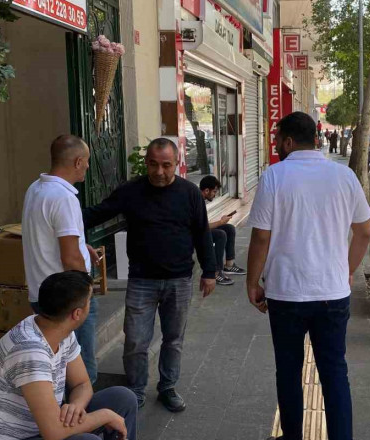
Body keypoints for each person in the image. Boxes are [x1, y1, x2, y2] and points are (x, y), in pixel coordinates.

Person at [247, 112, 370, 440]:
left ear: (289, 141)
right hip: (332, 293)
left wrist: (251, 283)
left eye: (277, 140)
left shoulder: (274, 176)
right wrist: (345, 272)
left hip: (286, 293)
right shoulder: (343, 176)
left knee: (288, 372)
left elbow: (261, 237)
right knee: (334, 373)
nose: (275, 146)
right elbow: (364, 234)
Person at [83, 138, 217, 411]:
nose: (159, 171)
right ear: (146, 163)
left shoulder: (190, 193)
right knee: (135, 340)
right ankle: (135, 390)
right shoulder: (131, 191)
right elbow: (97, 214)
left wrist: (210, 271)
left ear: (176, 163)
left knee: (173, 339)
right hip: (142, 280)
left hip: (179, 280)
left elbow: (202, 233)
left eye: (166, 165)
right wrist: (63, 221)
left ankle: (167, 387)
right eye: (153, 164)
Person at [0, 271, 138, 440]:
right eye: (89, 301)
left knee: (123, 398)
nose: (91, 304)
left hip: (41, 427)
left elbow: (82, 383)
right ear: (76, 314)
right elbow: (54, 433)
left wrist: (75, 406)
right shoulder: (29, 351)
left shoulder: (59, 330)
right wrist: (105, 416)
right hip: (17, 436)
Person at [22, 134, 100, 383]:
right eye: (86, 161)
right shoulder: (64, 197)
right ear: (78, 162)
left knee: (56, 367)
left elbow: (49, 236)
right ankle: (81, 418)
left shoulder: (36, 188)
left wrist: (80, 244)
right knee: (81, 372)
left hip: (41, 295)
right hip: (68, 301)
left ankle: (59, 414)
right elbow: (70, 259)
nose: (88, 166)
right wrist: (87, 291)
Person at [199, 175, 247, 286]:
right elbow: (201, 227)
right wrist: (220, 222)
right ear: (206, 190)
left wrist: (222, 222)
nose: (215, 195)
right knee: (220, 234)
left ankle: (229, 265)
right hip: (194, 233)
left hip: (200, 229)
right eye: (214, 192)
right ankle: (216, 273)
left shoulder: (202, 200)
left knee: (229, 228)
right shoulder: (197, 200)